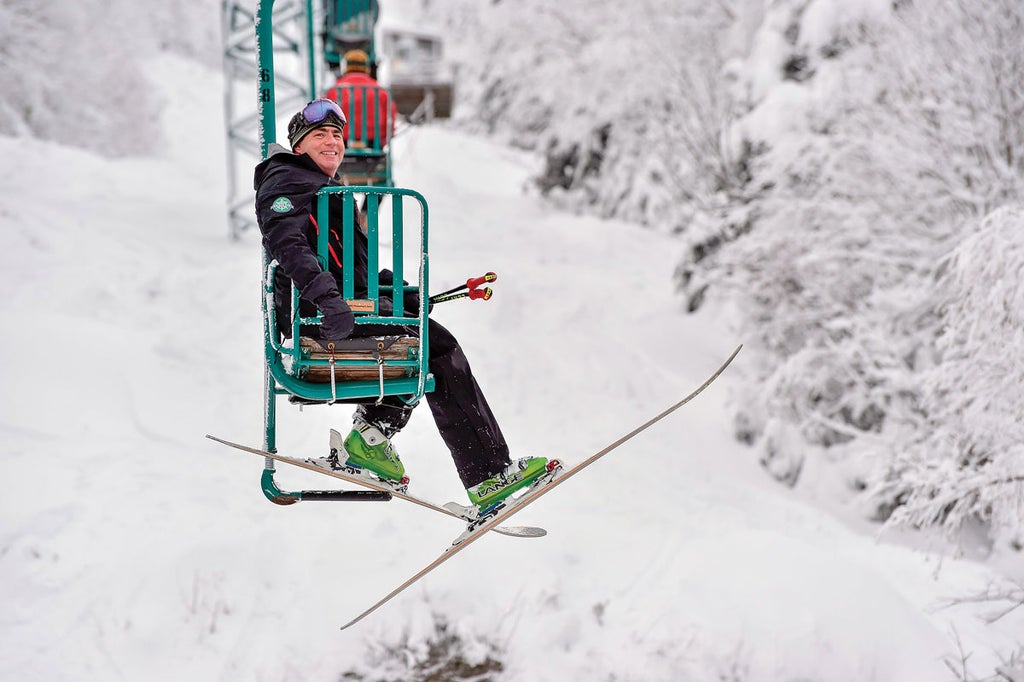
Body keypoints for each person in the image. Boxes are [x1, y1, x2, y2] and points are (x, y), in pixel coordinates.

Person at [253, 99, 550, 516]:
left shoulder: (329, 191)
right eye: (320, 135)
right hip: (318, 318)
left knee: (418, 334)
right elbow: (287, 244)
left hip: (338, 307)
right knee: (438, 349)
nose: (332, 142)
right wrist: (325, 299)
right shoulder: (286, 180)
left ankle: (370, 440)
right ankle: (489, 477)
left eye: (337, 135)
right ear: (298, 146)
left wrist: (399, 291)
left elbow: (354, 269)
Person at [323, 49, 398, 150]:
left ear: (346, 67)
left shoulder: (333, 90)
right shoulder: (381, 91)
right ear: (366, 67)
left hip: (340, 143)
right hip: (373, 143)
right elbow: (390, 119)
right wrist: (384, 139)